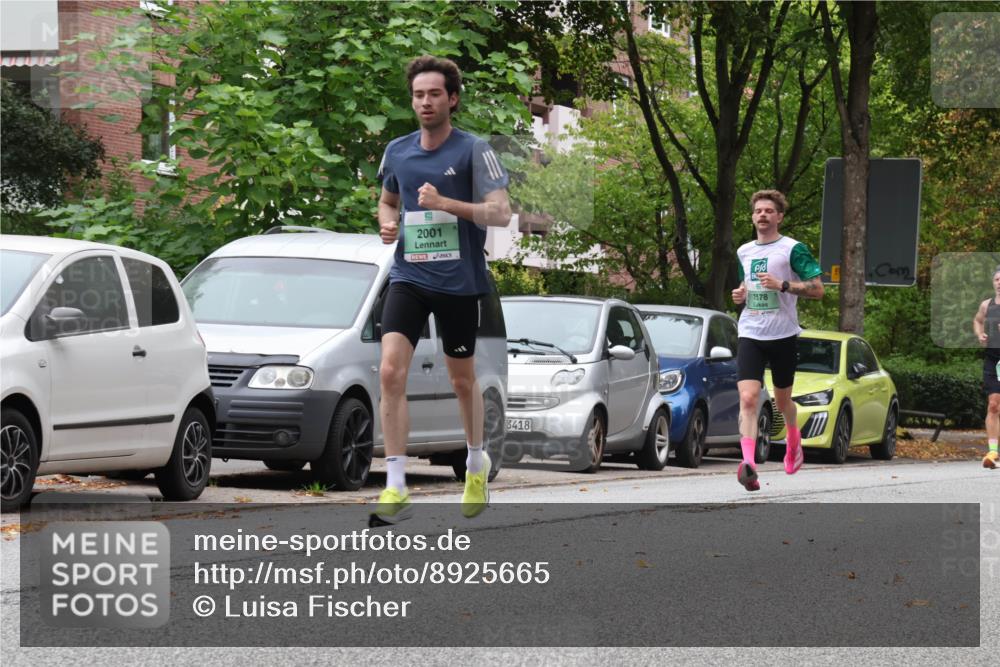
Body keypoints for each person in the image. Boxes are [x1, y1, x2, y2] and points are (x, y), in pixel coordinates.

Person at [371, 55, 512, 524]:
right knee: (391, 372)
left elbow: (500, 213)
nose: (425, 102)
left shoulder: (475, 151)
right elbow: (388, 201)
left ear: (452, 98)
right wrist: (388, 224)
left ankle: (475, 461)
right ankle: (395, 485)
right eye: (418, 94)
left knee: (460, 381)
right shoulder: (398, 150)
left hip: (459, 283)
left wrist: (445, 202)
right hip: (409, 276)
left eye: (434, 94)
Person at [731, 190, 825, 491]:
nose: (762, 215)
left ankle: (794, 439)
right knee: (748, 398)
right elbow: (746, 285)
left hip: (783, 334)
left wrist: (784, 285)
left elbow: (817, 289)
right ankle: (749, 465)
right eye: (758, 210)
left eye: (769, 211)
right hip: (750, 332)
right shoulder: (744, 251)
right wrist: (739, 294)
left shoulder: (792, 249)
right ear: (752, 216)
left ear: (779, 216)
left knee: (783, 401)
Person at [973, 265, 1000, 469]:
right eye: (997, 279)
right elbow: (977, 320)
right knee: (993, 404)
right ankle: (993, 452)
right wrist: (980, 334)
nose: (999, 283)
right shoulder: (986, 305)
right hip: (993, 359)